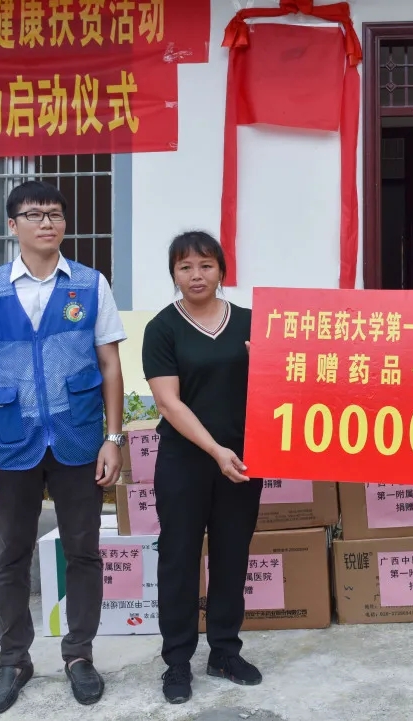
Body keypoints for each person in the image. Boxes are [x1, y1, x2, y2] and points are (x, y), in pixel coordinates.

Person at [0, 180, 127, 714]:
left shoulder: (90, 284)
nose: (46, 222)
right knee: (11, 555)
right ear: (13, 226)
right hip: (11, 443)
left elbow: (110, 364)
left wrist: (113, 438)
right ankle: (14, 660)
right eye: (34, 214)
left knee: (83, 551)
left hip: (79, 439)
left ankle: (79, 655)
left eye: (55, 214)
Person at [141, 231, 263, 705]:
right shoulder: (162, 328)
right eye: (185, 267)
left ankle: (225, 652)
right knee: (179, 558)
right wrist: (215, 450)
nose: (196, 275)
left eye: (206, 265)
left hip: (243, 460)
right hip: (185, 461)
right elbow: (168, 403)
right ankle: (177, 661)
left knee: (232, 555)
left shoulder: (251, 323)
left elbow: (282, 383)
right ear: (174, 274)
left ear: (222, 270)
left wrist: (265, 363)